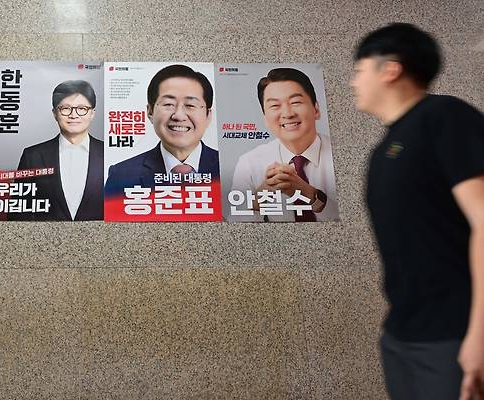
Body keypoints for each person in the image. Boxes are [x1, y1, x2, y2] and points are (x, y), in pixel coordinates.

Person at [351, 23, 484, 400]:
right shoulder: (387, 146)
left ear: (390, 69)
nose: (353, 82)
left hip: (454, 332)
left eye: (359, 70)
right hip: (403, 333)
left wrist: (479, 335)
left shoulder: (446, 117)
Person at [231, 68, 339, 222]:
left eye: (295, 102)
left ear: (316, 109)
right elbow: (233, 228)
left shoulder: (340, 153)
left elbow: (358, 220)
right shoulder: (249, 162)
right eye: (275, 106)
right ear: (265, 118)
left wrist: (307, 193)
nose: (287, 114)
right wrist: (260, 195)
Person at [104, 64, 220, 197]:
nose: (179, 116)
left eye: (190, 105)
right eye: (168, 104)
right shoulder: (121, 175)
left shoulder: (231, 169)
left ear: (208, 115)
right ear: (150, 112)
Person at [14, 80, 103, 221]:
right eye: (65, 108)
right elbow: (18, 209)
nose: (74, 115)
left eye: (82, 108)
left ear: (92, 113)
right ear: (55, 113)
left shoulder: (108, 154)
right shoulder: (32, 156)